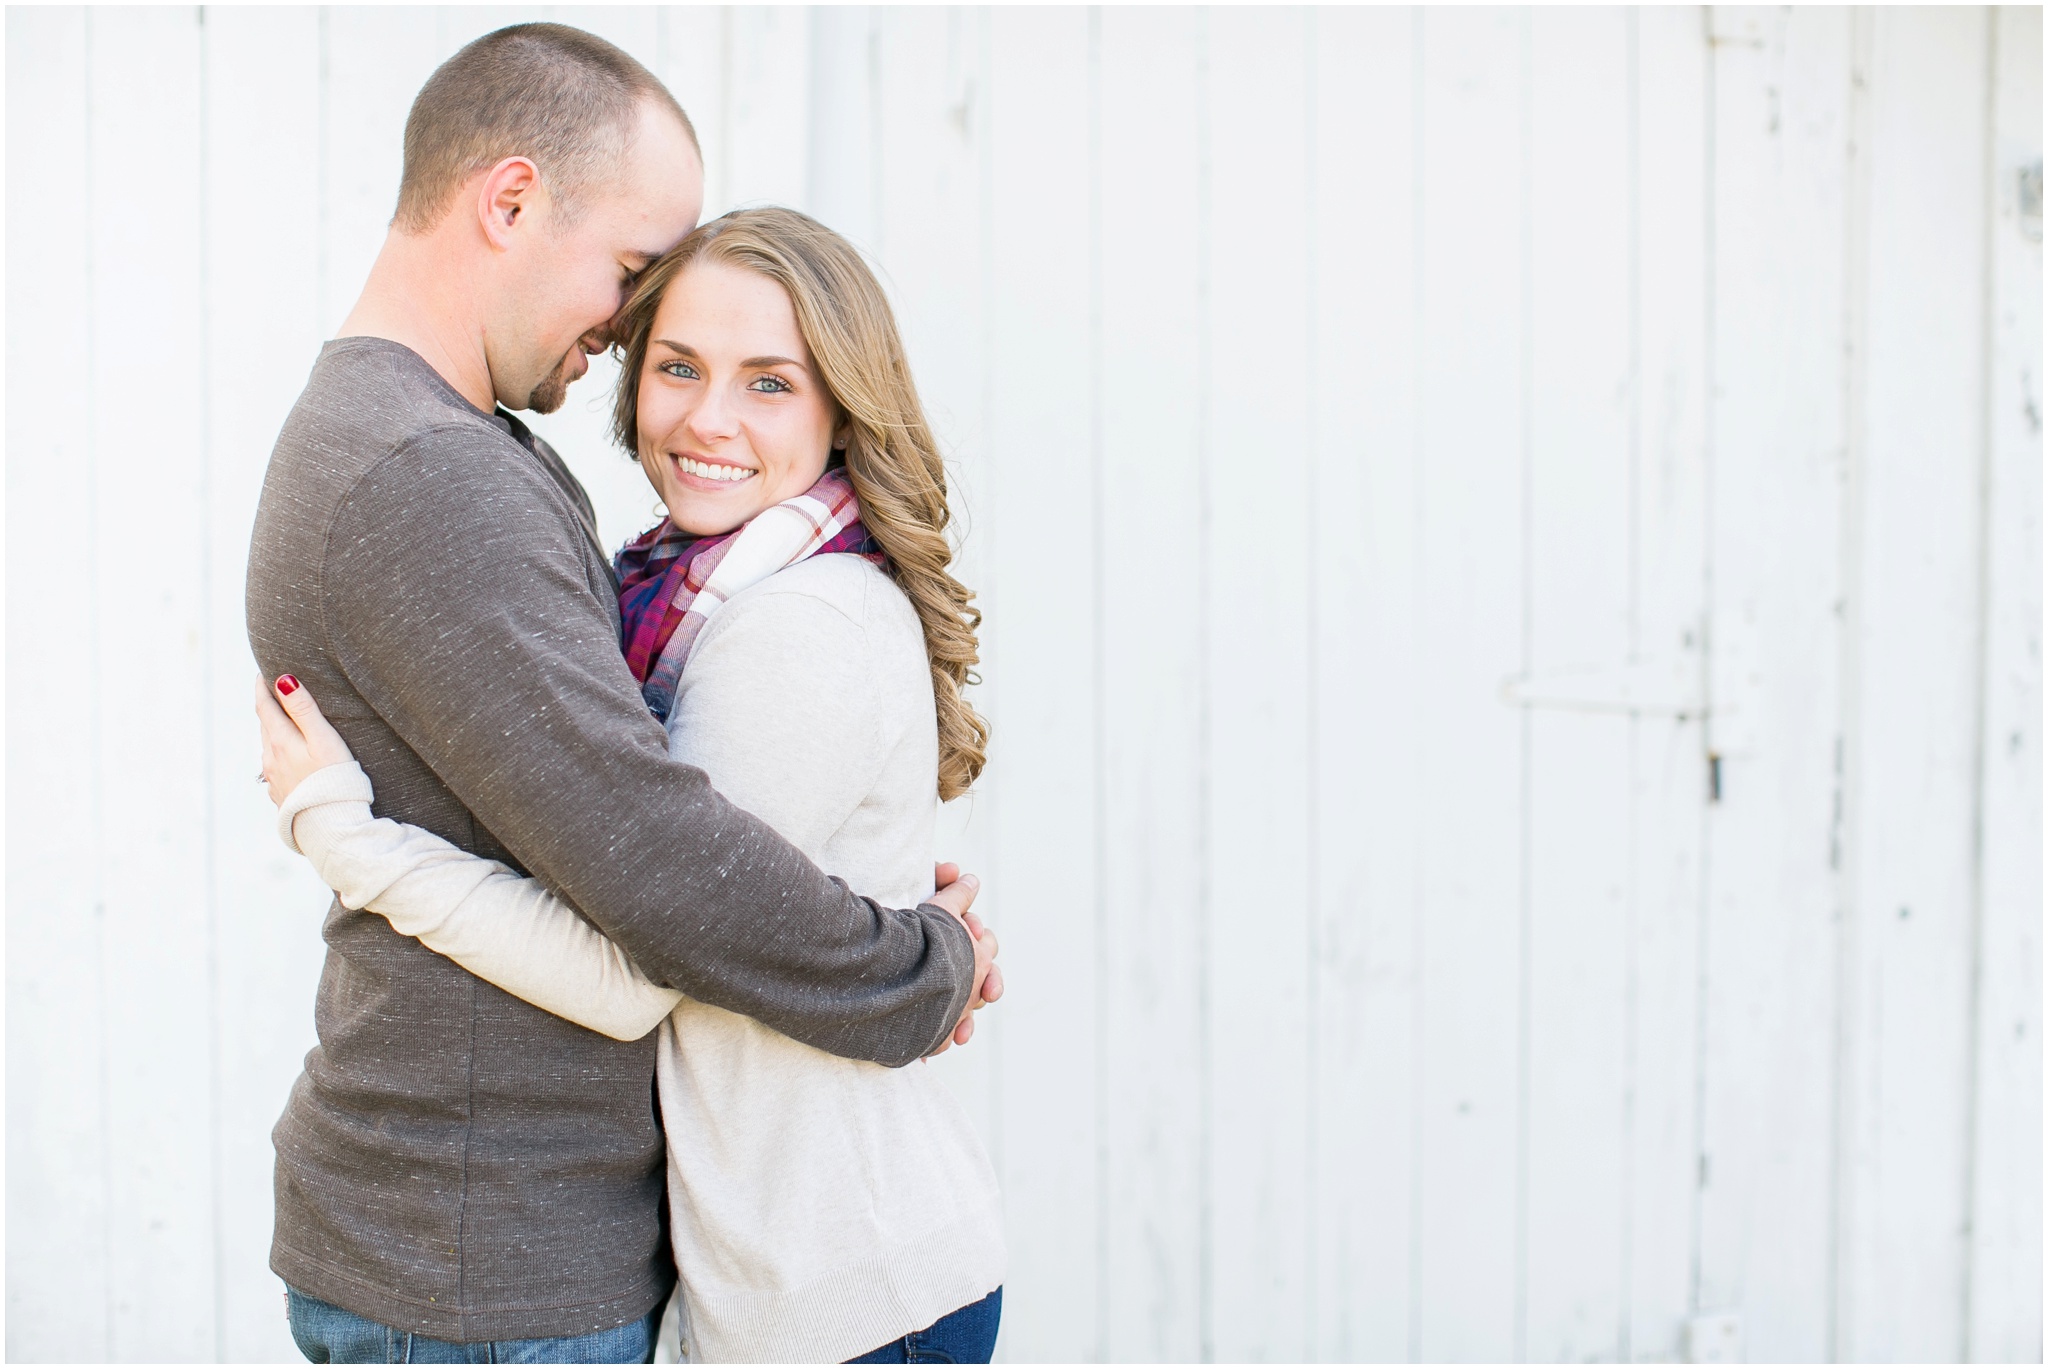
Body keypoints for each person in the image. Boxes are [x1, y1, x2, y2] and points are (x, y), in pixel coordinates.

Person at [245, 25, 998, 1364]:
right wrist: (919, 968)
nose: (626, 326)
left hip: (552, 1246)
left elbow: (654, 864)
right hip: (485, 1259)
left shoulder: (473, 459)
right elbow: (662, 886)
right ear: (512, 202)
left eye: (771, 379)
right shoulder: (435, 476)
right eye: (636, 283)